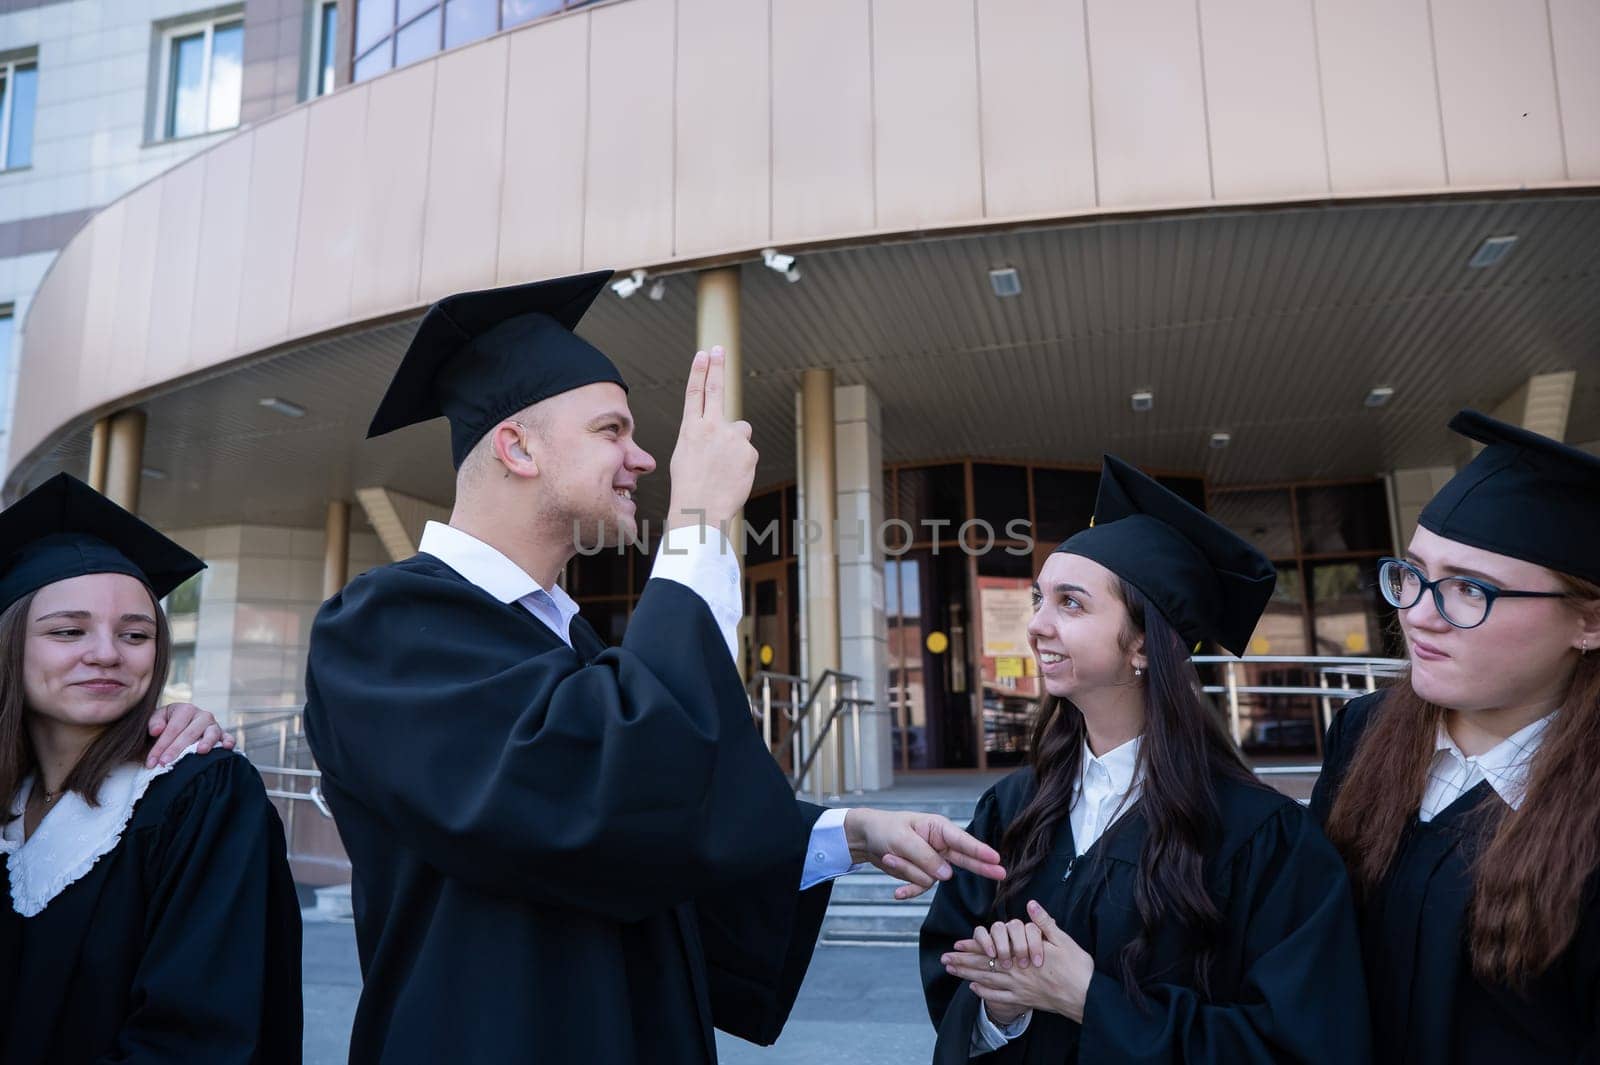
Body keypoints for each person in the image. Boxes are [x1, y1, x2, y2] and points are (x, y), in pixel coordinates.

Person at [304, 270, 1006, 1065]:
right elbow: (593, 797)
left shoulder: (577, 649)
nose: (643, 457)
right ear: (517, 446)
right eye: (612, 430)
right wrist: (698, 523)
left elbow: (659, 829)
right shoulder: (382, 630)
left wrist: (846, 833)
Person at [923, 454, 1372, 1063]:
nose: (1036, 625)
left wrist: (1088, 999)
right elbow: (953, 974)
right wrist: (1000, 1010)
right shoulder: (1012, 808)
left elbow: (1297, 1043)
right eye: (1038, 598)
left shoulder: (1261, 839)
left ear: (1141, 645)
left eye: (1071, 603)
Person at [1311, 410, 1600, 1064]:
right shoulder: (1362, 736)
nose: (1416, 614)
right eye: (1412, 573)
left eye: (1470, 589)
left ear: (1588, 621)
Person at [0, 473, 303, 1063]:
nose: (108, 653)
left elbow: (199, 1036)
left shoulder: (198, 794)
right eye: (68, 631)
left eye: (136, 633)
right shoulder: (12, 803)